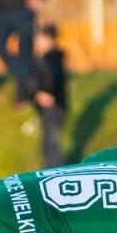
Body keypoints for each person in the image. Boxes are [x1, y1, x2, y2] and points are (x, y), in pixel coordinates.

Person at [28, 24, 69, 168]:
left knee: (51, 143)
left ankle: (54, 171)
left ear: (48, 39)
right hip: (52, 107)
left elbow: (53, 77)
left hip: (54, 107)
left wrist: (48, 94)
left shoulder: (51, 58)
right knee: (47, 142)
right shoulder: (47, 58)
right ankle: (50, 169)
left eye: (39, 38)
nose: (36, 42)